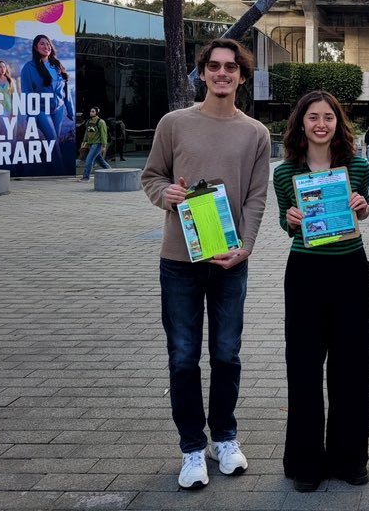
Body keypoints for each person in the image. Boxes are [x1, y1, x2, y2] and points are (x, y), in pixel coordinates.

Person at [141, 38, 271, 491]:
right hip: (179, 260)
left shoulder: (256, 132)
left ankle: (225, 438)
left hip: (230, 261)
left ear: (241, 75)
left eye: (230, 67)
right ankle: (192, 447)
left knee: (226, 354)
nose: (221, 74)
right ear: (202, 73)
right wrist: (166, 196)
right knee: (182, 358)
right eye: (213, 66)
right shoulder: (174, 124)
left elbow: (257, 197)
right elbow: (151, 176)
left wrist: (247, 246)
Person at [273, 91, 369, 492]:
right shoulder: (284, 174)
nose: (320, 123)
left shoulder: (358, 167)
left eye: (328, 117)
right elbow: (287, 226)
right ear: (300, 123)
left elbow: (361, 211)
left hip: (351, 270)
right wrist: (291, 218)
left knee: (353, 367)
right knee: (304, 370)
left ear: (338, 123)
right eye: (312, 117)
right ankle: (306, 462)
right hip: (305, 273)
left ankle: (350, 459)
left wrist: (363, 208)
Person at [20, 34, 74, 170]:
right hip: (41, 110)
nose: (46, 46)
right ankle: (61, 171)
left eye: (48, 44)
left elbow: (66, 89)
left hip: (58, 110)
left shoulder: (57, 65)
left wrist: (70, 109)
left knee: (53, 143)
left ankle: (47, 169)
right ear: (35, 47)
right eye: (42, 44)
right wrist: (30, 115)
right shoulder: (28, 68)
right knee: (54, 142)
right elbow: (26, 92)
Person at [79, 106, 111, 181]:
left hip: (97, 144)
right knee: (101, 161)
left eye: (93, 111)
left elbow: (104, 134)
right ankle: (111, 172)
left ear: (97, 112)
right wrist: (84, 142)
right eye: (90, 111)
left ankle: (86, 177)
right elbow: (86, 133)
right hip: (90, 144)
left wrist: (104, 145)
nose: (91, 113)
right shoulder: (89, 122)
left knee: (89, 160)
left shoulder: (101, 122)